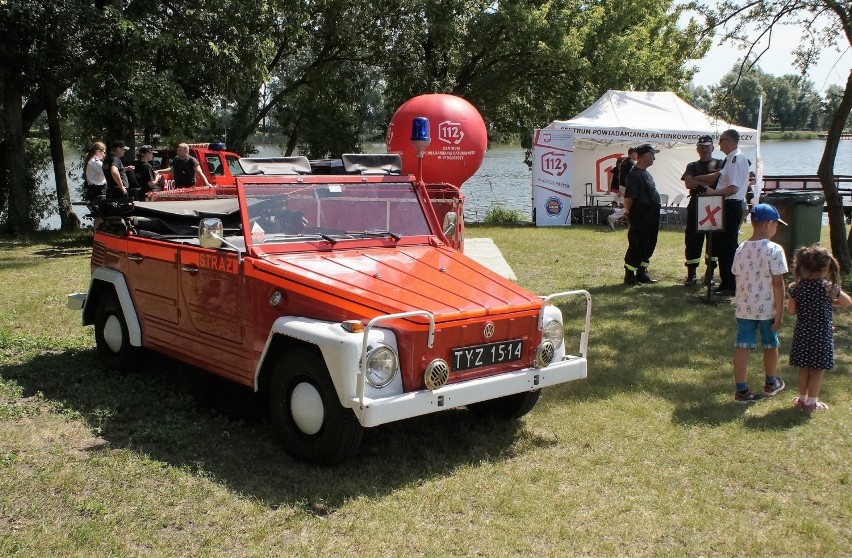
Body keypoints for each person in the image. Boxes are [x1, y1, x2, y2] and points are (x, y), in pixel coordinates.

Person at [730, 203, 788, 403]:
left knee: (742, 346)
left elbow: (736, 274)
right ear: (768, 224)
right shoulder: (775, 250)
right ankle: (771, 382)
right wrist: (779, 312)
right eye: (776, 225)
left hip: (744, 307)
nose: (776, 228)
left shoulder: (740, 248)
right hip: (767, 308)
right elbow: (778, 283)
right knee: (770, 344)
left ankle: (742, 390)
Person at [787, 245, 852, 411]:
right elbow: (847, 302)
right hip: (821, 334)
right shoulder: (828, 287)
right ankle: (812, 402)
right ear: (826, 267)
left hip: (802, 332)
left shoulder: (796, 287)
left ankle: (802, 399)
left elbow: (791, 310)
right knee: (817, 369)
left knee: (804, 367)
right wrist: (831, 302)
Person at [693, 129, 749, 297]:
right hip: (726, 205)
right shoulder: (730, 159)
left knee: (729, 247)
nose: (719, 144)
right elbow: (718, 177)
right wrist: (698, 179)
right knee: (722, 246)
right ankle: (726, 282)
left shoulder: (737, 159)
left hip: (731, 205)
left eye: (722, 140)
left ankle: (731, 285)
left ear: (731, 141)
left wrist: (712, 193)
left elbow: (732, 189)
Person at [681, 135, 723, 286]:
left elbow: (715, 179)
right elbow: (688, 184)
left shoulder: (719, 162)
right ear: (697, 148)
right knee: (693, 238)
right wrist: (705, 179)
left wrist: (697, 179)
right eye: (701, 146)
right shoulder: (692, 165)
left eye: (707, 146)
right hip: (696, 202)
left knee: (714, 239)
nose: (704, 149)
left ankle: (710, 273)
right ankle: (691, 274)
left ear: (712, 147)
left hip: (713, 203)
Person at [622, 144, 661, 285]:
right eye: (652, 155)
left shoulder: (645, 172)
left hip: (651, 216)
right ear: (644, 156)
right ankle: (630, 275)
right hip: (641, 216)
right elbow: (629, 197)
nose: (654, 158)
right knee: (637, 244)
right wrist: (628, 211)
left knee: (649, 244)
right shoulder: (634, 174)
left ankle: (642, 273)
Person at [607, 147, 637, 230]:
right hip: (627, 187)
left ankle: (614, 218)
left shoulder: (624, 162)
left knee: (630, 207)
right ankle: (613, 217)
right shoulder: (630, 162)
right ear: (633, 153)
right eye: (636, 154)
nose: (637, 156)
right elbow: (630, 176)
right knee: (632, 206)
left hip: (623, 186)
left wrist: (621, 188)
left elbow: (621, 176)